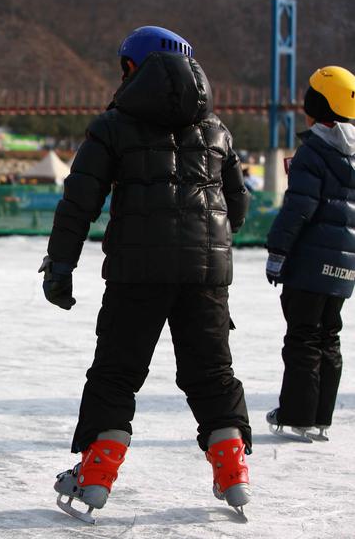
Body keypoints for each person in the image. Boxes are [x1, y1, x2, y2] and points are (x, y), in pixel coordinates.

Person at [41, 26, 251, 522]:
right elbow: (236, 205)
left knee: (116, 373)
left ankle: (95, 475)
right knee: (211, 373)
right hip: (206, 274)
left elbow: (79, 202)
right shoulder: (216, 129)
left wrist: (61, 264)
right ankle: (233, 471)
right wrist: (206, 243)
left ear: (132, 68)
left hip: (137, 272)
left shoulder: (113, 125)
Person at [264, 66, 355, 443]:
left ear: (314, 106)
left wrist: (278, 251)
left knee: (302, 336)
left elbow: (298, 209)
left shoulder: (313, 152)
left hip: (309, 265)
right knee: (328, 336)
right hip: (344, 267)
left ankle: (298, 414)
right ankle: (321, 416)